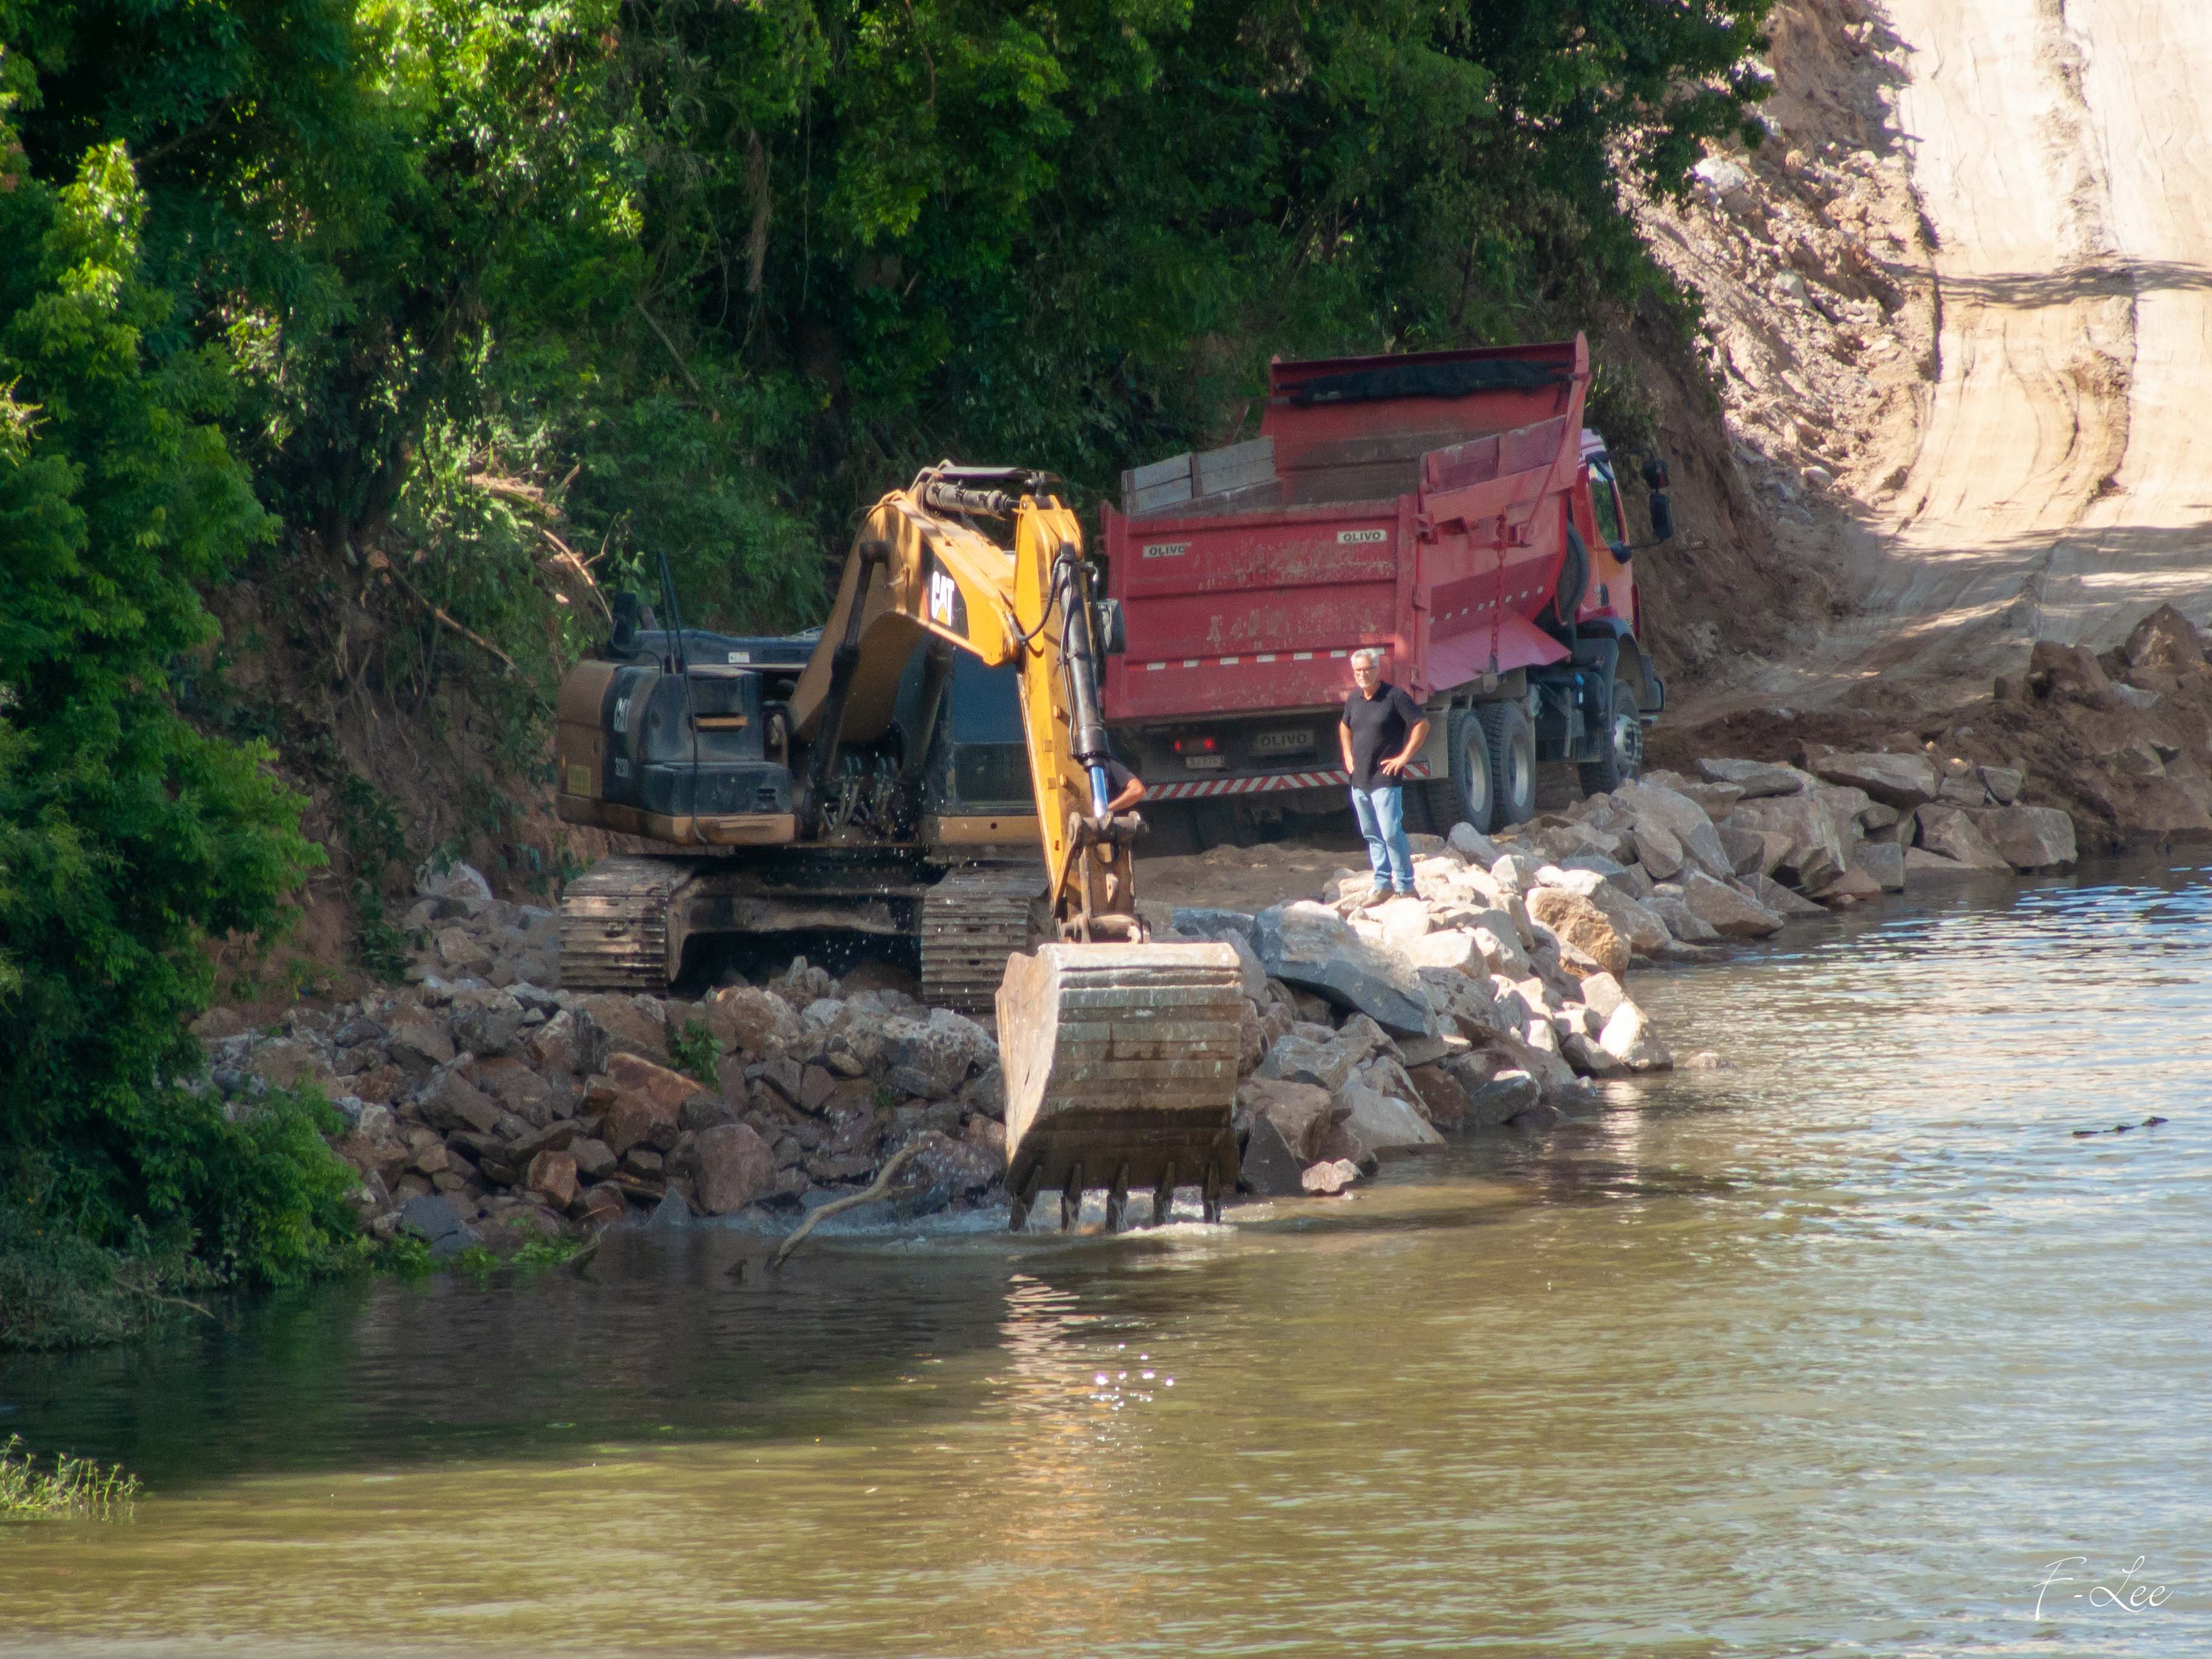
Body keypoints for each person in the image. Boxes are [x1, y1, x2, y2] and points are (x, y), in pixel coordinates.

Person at [1338, 647, 1429, 902]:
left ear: (1378, 669)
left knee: (1391, 832)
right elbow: (1345, 726)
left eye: (1367, 669)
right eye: (1358, 671)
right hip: (1360, 780)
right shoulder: (1354, 699)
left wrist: (1404, 757)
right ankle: (1382, 884)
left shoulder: (1395, 697)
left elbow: (1421, 724)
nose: (1363, 675)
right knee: (1372, 834)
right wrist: (1347, 755)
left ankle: (1405, 885)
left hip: (1385, 778)